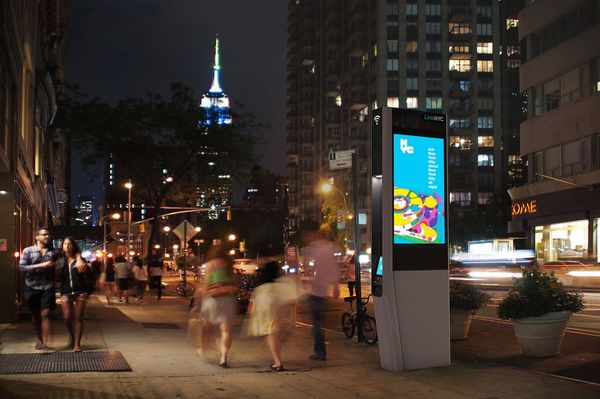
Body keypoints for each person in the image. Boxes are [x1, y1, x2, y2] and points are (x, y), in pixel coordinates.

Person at [18, 227, 60, 351]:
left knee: (46, 313)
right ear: (37, 237)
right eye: (44, 234)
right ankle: (39, 339)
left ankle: (45, 343)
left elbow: (70, 253)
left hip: (48, 287)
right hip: (32, 286)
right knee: (36, 315)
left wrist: (78, 258)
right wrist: (42, 265)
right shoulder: (28, 251)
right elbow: (21, 267)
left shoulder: (54, 252)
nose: (47, 236)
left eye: (48, 234)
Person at [302, 230, 340, 361]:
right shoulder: (328, 248)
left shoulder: (315, 249)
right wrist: (336, 287)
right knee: (319, 322)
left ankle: (320, 352)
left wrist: (306, 281)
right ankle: (320, 351)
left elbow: (308, 269)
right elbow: (334, 269)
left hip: (315, 290)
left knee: (316, 323)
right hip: (322, 290)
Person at [198, 245, 237, 368]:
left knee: (207, 327)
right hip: (227, 299)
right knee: (226, 331)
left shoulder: (210, 264)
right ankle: (223, 358)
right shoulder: (229, 265)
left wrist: (199, 304)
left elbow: (204, 285)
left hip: (212, 298)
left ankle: (202, 349)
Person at [247, 247, 285, 371]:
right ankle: (277, 359)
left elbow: (257, 286)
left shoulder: (262, 268)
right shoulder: (274, 266)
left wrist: (252, 303)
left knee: (270, 331)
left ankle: (278, 362)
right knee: (273, 330)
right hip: (275, 296)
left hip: (265, 298)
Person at [56, 236, 91, 352]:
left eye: (69, 243)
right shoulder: (59, 259)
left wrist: (82, 261)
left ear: (73, 246)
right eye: (65, 243)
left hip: (80, 291)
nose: (67, 246)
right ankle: (72, 337)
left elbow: (88, 274)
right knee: (67, 318)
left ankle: (77, 344)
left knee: (78, 318)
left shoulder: (80, 260)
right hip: (66, 292)